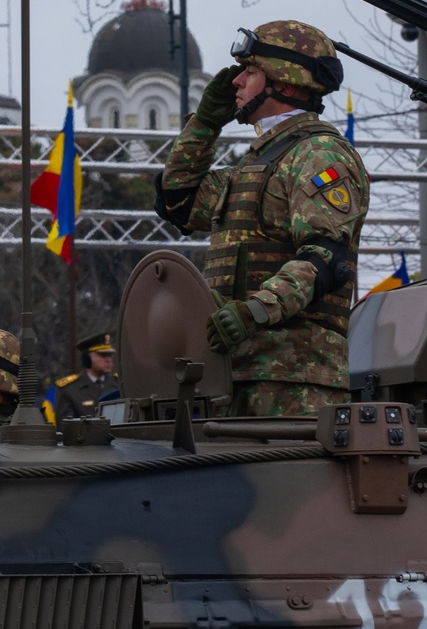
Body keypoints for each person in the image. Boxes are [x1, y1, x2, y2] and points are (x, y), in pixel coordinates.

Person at [157, 21, 369, 418]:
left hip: (295, 381)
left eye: (250, 71)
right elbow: (178, 199)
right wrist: (203, 125)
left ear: (285, 84)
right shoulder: (258, 163)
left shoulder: (319, 154)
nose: (236, 81)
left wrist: (255, 311)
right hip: (238, 371)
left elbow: (325, 259)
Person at [52, 332, 120, 426]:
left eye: (110, 355)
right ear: (87, 358)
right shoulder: (70, 389)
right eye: (103, 355)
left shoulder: (119, 383)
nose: (108, 360)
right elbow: (65, 427)